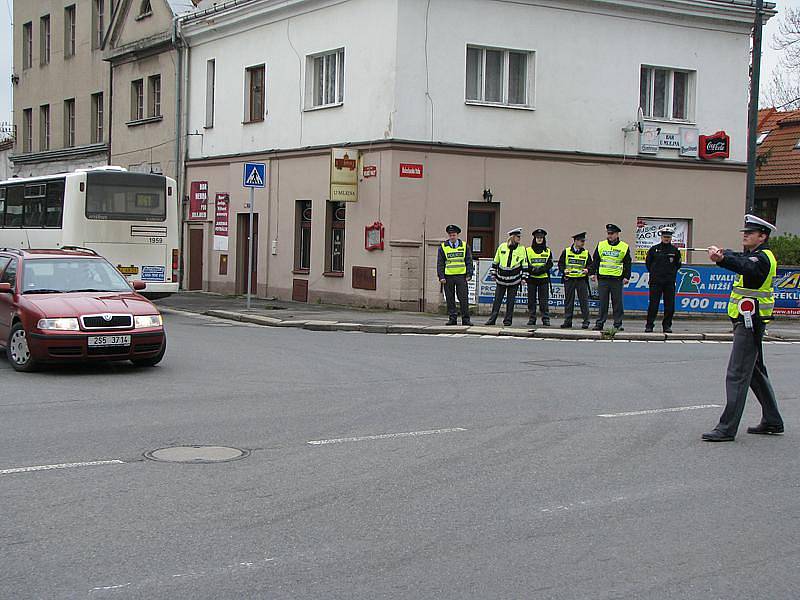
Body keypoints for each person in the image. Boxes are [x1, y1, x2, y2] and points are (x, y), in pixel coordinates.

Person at [702, 214, 784, 442]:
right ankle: (772, 420)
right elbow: (739, 257)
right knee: (755, 372)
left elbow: (745, 266)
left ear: (762, 236)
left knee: (737, 374)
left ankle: (726, 428)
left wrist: (721, 259)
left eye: (750, 232)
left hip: (750, 322)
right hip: (748, 320)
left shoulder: (762, 259)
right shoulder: (755, 255)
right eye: (744, 232)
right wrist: (723, 253)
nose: (745, 235)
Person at [485, 228, 528, 326]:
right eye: (518, 237)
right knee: (497, 300)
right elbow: (496, 261)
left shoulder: (521, 249)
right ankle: (492, 319)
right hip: (501, 278)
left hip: (514, 279)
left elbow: (524, 264)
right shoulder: (502, 247)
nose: (519, 239)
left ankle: (508, 321)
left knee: (511, 301)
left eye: (519, 237)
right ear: (512, 237)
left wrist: (524, 278)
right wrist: (493, 274)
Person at [592, 224, 631, 331]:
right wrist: (592, 273)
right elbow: (596, 260)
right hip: (603, 278)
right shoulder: (601, 245)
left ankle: (618, 324)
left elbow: (627, 263)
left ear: (617, 234)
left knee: (617, 303)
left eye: (612, 234)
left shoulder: (624, 246)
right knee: (603, 302)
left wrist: (626, 276)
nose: (609, 236)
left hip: (617, 279)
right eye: (608, 233)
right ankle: (600, 323)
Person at [645, 226, 682, 333]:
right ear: (661, 237)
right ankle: (649, 325)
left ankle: (667, 326)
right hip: (655, 281)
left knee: (669, 305)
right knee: (653, 304)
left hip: (669, 282)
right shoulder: (654, 249)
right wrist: (655, 273)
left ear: (671, 238)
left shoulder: (675, 251)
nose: (666, 239)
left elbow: (677, 265)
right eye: (664, 236)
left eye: (668, 237)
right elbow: (648, 264)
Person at [437, 224, 474, 326]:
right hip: (448, 277)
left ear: (457, 235)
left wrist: (469, 274)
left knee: (463, 298)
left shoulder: (464, 245)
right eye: (450, 235)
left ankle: (466, 319)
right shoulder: (443, 247)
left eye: (454, 235)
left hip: (461, 276)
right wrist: (441, 276)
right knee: (450, 298)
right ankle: (452, 319)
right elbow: (440, 263)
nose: (452, 237)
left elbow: (468, 260)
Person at [558, 232, 593, 329]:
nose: (583, 243)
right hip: (569, 279)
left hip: (581, 279)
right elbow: (560, 264)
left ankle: (586, 321)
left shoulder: (586, 253)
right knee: (569, 301)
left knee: (584, 301)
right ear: (575, 241)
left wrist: (588, 270)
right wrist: (563, 270)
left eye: (583, 241)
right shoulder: (566, 251)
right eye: (581, 241)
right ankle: (568, 321)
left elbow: (590, 265)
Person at [526, 228, 553, 326]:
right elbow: (525, 263)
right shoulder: (528, 250)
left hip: (543, 279)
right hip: (532, 278)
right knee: (531, 301)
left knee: (544, 301)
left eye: (541, 238)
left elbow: (549, 264)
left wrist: (540, 270)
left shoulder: (548, 251)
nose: (539, 239)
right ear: (534, 238)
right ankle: (532, 318)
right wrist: (533, 269)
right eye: (537, 237)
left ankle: (545, 319)